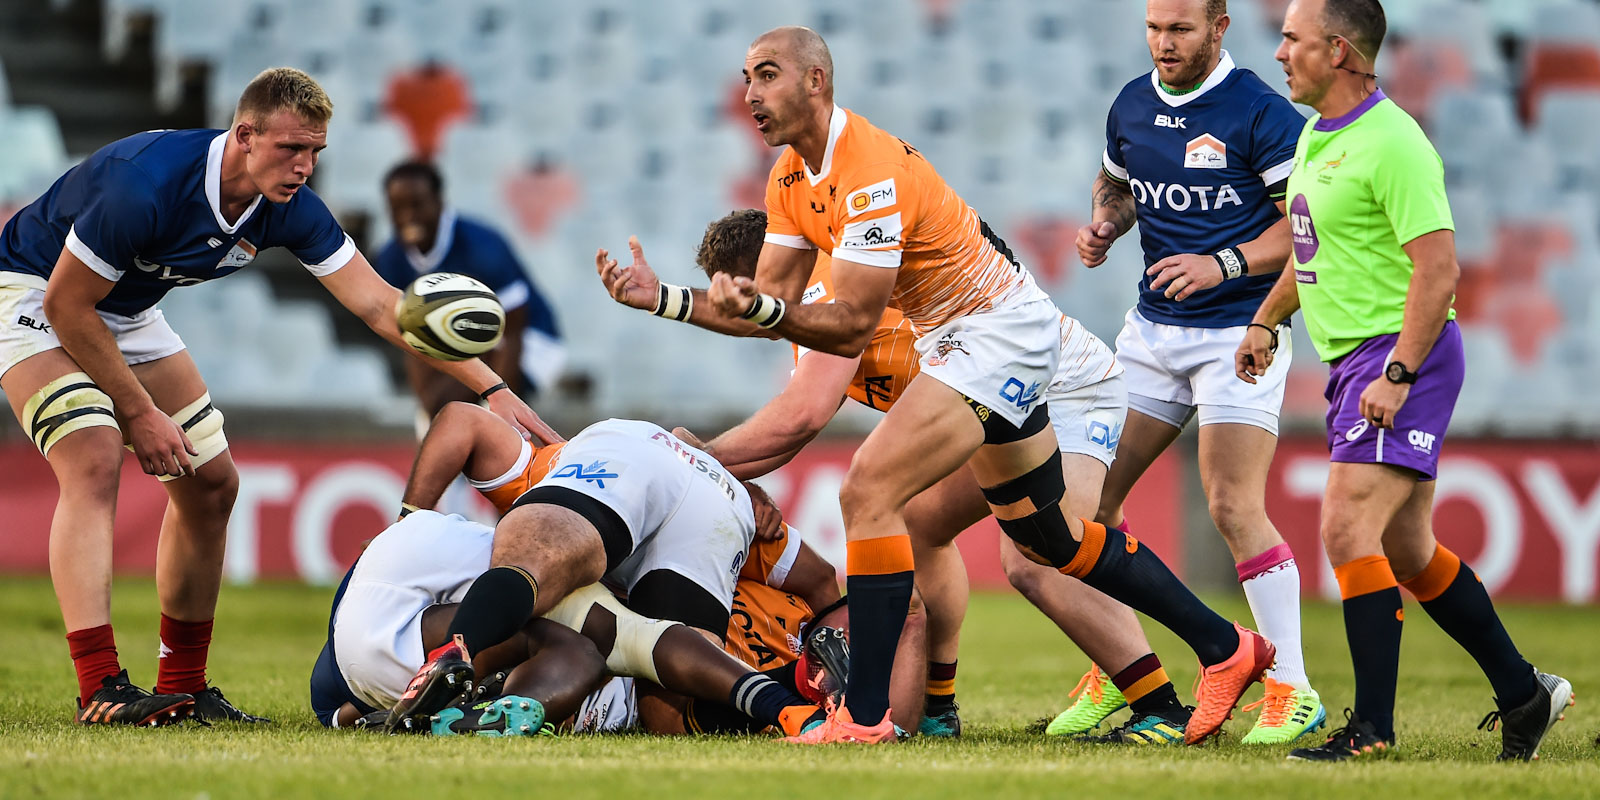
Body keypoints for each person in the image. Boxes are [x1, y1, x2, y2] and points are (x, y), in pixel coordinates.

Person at [603, 27, 1270, 746]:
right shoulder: (791, 180)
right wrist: (665, 298)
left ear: (817, 81)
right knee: (1049, 539)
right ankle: (1226, 648)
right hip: (967, 343)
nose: (749, 95)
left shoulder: (868, 170)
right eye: (745, 78)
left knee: (871, 493)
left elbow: (845, 326)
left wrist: (693, 458)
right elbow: (766, 308)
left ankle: (864, 718)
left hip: (995, 336)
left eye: (767, 76)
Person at [0, 67, 553, 727]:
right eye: (291, 149)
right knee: (92, 456)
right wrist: (139, 413)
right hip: (32, 291)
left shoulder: (288, 206)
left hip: (125, 307)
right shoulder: (143, 182)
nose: (303, 167)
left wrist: (491, 386)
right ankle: (101, 689)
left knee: (213, 486)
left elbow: (383, 307)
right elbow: (68, 305)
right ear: (245, 135)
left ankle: (185, 686)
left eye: (315, 152)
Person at [603, 210, 1197, 743]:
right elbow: (796, 413)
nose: (734, 308)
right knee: (916, 523)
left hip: (1066, 390)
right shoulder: (809, 306)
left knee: (1036, 553)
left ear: (762, 273)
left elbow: (799, 419)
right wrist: (668, 309)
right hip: (997, 401)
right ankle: (939, 705)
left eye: (734, 293)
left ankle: (1165, 707)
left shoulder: (830, 288)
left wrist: (689, 464)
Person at [1241, 0, 1572, 762]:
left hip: (1399, 353)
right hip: (1357, 358)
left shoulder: (1395, 143)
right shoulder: (1319, 136)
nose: (1281, 52)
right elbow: (1315, 249)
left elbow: (1439, 267)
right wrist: (1267, 318)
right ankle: (1525, 694)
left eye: (1293, 39)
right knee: (1412, 552)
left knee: (1345, 528)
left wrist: (1398, 372)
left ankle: (1372, 732)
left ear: (1338, 50)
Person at [1072, 0, 1325, 744]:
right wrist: (1107, 226)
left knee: (1231, 506)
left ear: (1219, 28)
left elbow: (1307, 228)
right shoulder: (1130, 102)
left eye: (1179, 29)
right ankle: (1126, 666)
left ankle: (1293, 687)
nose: (1163, 43)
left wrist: (1225, 264)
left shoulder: (1259, 111)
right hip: (1152, 332)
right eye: (1153, 28)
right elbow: (1117, 181)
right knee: (1089, 506)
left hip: (1238, 333)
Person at [390, 398, 930, 733]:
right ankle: (470, 683)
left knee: (540, 577)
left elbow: (462, 421)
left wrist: (408, 523)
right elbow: (825, 585)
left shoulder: (562, 467)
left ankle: (453, 661)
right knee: (653, 676)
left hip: (657, 465)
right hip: (708, 502)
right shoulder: (772, 565)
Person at [309, 508, 823, 738]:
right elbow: (655, 650)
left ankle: (444, 695)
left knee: (569, 633)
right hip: (376, 643)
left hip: (363, 637)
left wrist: (410, 508)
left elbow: (460, 422)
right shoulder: (586, 568)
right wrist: (788, 699)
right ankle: (474, 706)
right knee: (591, 644)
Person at [375, 160, 566, 413]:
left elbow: (513, 330)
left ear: (439, 202)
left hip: (531, 339)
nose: (408, 216)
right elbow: (411, 340)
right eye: (397, 208)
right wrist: (428, 408)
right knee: (438, 414)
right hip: (461, 340)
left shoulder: (482, 247)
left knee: (470, 418)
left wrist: (499, 409)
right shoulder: (391, 259)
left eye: (417, 205)